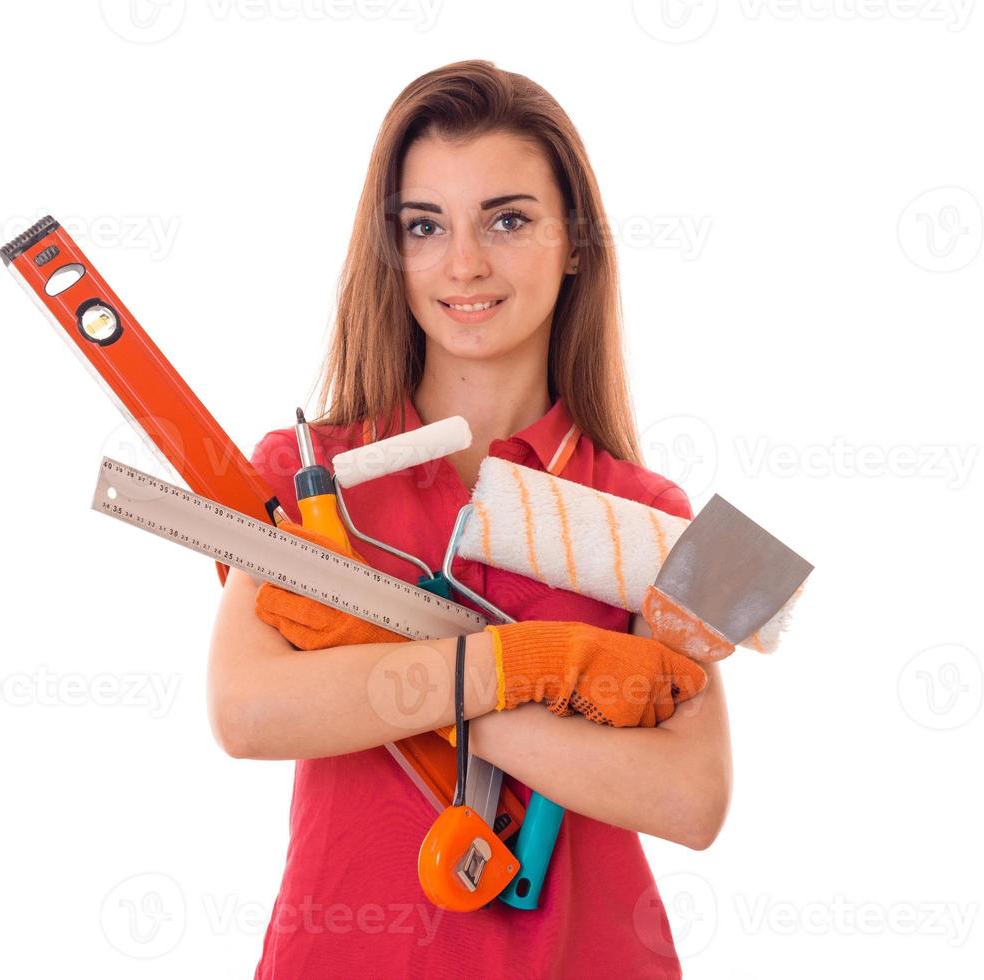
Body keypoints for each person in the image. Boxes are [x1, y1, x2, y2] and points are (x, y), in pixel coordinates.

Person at [206, 59, 732, 979]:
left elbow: (692, 798)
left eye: (509, 219)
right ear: (392, 249)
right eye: (424, 225)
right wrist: (529, 675)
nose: (464, 264)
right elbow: (248, 714)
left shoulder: (654, 515)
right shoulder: (310, 474)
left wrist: (410, 688)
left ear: (576, 242)